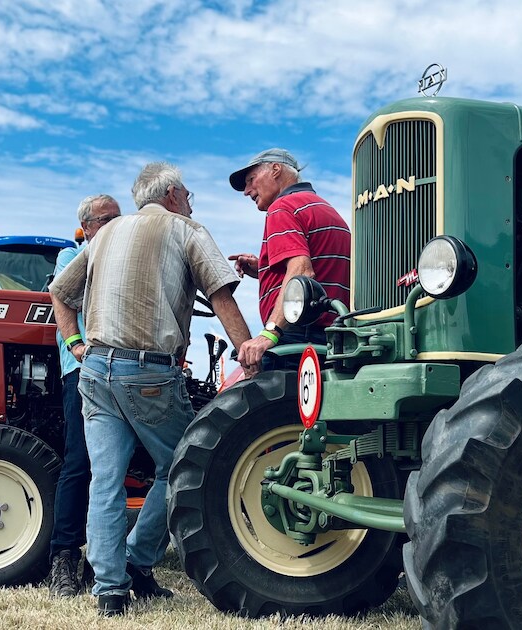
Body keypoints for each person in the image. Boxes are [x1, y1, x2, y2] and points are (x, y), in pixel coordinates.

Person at [48, 162, 256, 616]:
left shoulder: (104, 234)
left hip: (95, 371)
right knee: (183, 464)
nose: (190, 204)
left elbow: (60, 293)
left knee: (105, 480)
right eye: (188, 195)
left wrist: (76, 344)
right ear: (173, 195)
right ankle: (137, 560)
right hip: (148, 373)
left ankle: (109, 589)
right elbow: (221, 295)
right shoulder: (186, 229)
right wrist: (248, 353)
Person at [47, 194, 122, 598]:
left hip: (121, 369)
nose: (114, 225)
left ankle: (104, 560)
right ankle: (63, 558)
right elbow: (63, 297)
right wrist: (76, 345)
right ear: (87, 228)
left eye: (118, 218)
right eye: (106, 220)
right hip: (83, 369)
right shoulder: (72, 257)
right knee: (80, 460)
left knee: (111, 467)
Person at [227, 148, 351, 369]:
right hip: (334, 338)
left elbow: (302, 272)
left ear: (276, 169)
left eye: (251, 180)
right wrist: (265, 269)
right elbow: (322, 270)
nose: (246, 191)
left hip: (297, 338)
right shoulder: (326, 210)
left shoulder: (282, 207)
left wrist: (270, 333)